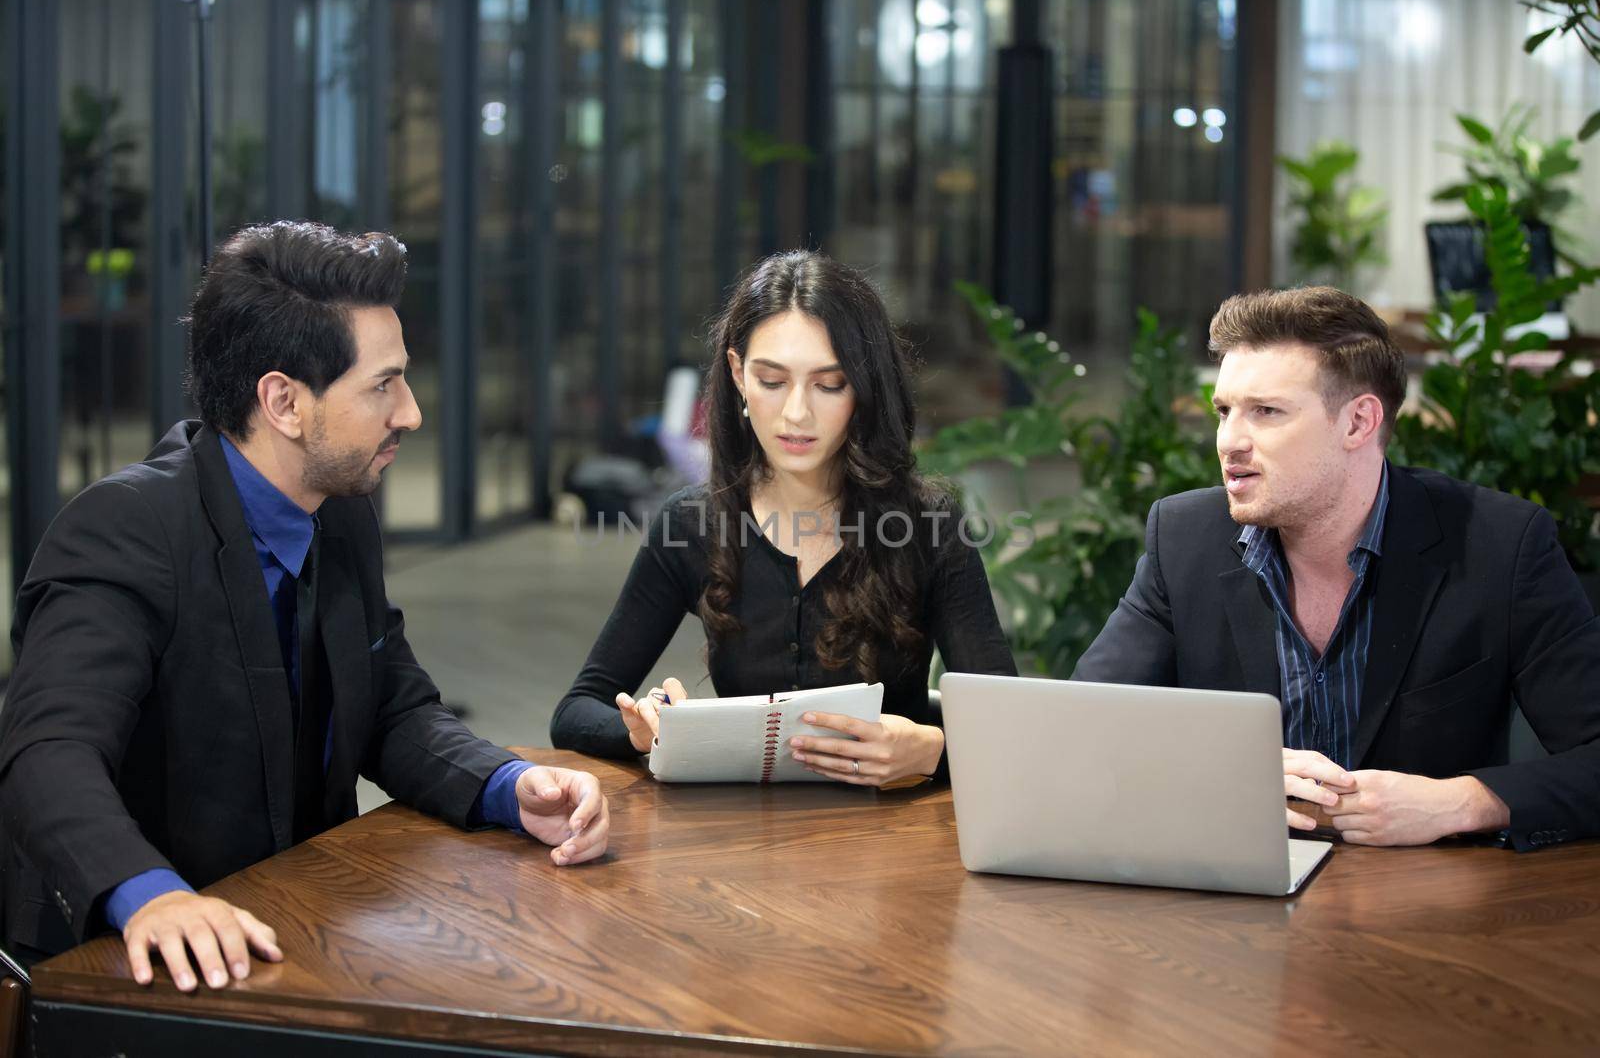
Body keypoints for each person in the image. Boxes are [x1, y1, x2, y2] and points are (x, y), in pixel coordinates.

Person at [0, 222, 610, 990]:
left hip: (296, 931)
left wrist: (508, 786)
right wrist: (151, 897)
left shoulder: (339, 511)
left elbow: (393, 709)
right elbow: (45, 756)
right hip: (117, 968)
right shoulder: (123, 531)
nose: (411, 412)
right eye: (383, 385)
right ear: (283, 401)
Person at [1074, 286, 1600, 849]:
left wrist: (1461, 801)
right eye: (1224, 412)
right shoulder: (1184, 538)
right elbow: (1085, 730)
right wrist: (1224, 776)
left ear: (1358, 423)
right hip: (1233, 898)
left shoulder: (1499, 545)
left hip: (1427, 909)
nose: (1230, 441)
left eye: (1266, 412)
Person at [550, 251, 1015, 785]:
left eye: (829, 384)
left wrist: (933, 749)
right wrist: (640, 729)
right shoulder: (691, 526)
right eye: (772, 381)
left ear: (864, 388)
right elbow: (576, 711)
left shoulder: (930, 525)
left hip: (891, 841)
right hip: (744, 846)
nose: (797, 413)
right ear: (737, 374)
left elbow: (1008, 723)